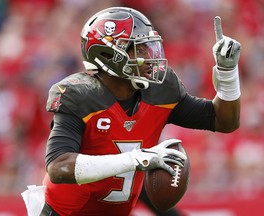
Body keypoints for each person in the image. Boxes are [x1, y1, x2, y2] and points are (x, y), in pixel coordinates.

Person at [21, 7, 241, 216]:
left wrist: (227, 72)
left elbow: (223, 121)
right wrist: (138, 159)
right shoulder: (79, 95)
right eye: (139, 49)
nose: (150, 55)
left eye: (149, 46)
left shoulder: (160, 91)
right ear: (108, 55)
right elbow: (59, 167)